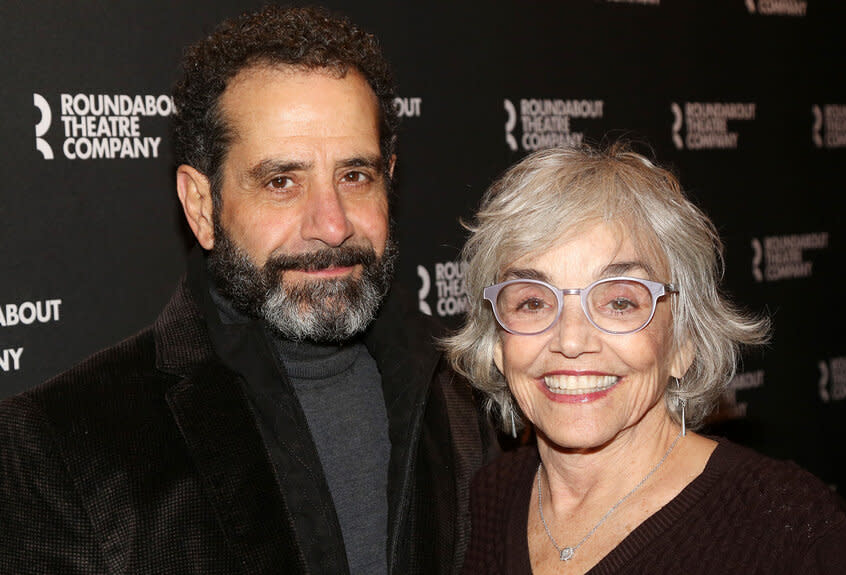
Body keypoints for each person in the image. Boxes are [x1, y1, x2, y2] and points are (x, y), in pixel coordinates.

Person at [0, 6, 495, 574]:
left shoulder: (472, 391)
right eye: (282, 182)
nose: (332, 225)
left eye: (355, 176)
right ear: (201, 205)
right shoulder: (57, 447)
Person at [446, 143, 846, 574]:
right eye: (533, 302)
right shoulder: (481, 505)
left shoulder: (790, 532)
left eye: (620, 302)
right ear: (497, 341)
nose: (570, 340)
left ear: (682, 341)